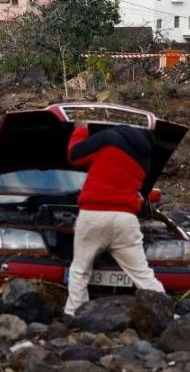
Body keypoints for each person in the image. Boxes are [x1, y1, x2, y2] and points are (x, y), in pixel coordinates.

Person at [64, 121, 165, 317]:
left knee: (80, 270)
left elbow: (74, 155)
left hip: (93, 213)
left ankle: (74, 315)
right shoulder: (145, 159)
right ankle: (164, 312)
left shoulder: (109, 138)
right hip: (125, 219)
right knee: (142, 275)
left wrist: (81, 128)